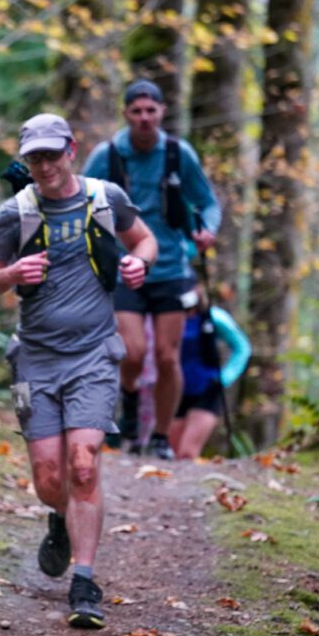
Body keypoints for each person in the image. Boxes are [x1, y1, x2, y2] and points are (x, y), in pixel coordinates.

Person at [0, 114, 157, 629]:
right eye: (34, 158)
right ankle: (59, 519)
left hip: (94, 355)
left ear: (71, 151)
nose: (44, 166)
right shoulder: (17, 212)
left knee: (83, 464)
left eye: (52, 155)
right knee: (49, 477)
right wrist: (11, 274)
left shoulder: (106, 199)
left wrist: (139, 263)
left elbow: (145, 241)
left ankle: (84, 580)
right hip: (34, 357)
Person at [84, 80, 221, 460]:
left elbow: (208, 202)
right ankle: (128, 406)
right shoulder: (107, 155)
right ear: (126, 114)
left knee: (166, 356)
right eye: (136, 111)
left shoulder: (179, 154)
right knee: (131, 352)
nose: (144, 118)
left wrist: (208, 230)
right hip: (123, 266)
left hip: (172, 268)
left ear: (161, 112)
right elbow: (78, 198)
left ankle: (160, 436)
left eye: (151, 110)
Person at [169, 289, 250, 460]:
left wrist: (225, 377)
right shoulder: (168, 317)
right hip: (175, 391)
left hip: (207, 389)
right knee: (171, 454)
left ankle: (188, 485)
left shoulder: (214, 317)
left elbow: (242, 347)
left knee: (187, 453)